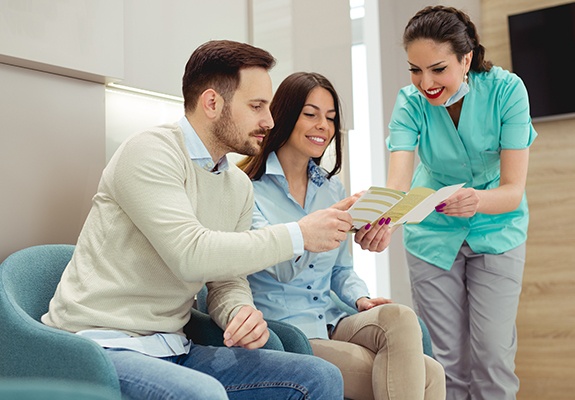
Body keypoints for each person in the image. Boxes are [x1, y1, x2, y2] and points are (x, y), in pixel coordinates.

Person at [41, 40, 351, 400]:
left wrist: (239, 311)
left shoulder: (236, 184)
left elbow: (225, 279)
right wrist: (299, 235)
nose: (269, 121)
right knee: (203, 395)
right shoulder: (150, 153)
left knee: (320, 378)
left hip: (174, 347)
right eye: (256, 106)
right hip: (100, 347)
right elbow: (191, 254)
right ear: (212, 103)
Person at [239, 71, 446, 400]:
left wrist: (360, 299)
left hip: (333, 320)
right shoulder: (247, 190)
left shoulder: (331, 187)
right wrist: (323, 224)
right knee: (428, 374)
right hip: (289, 330)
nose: (323, 125)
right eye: (311, 114)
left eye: (331, 118)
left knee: (401, 317)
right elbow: (280, 266)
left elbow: (340, 270)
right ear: (284, 115)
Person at [385, 6, 537, 400]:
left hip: (497, 229)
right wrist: (381, 220)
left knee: (493, 358)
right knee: (444, 362)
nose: (426, 83)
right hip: (432, 236)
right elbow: (398, 184)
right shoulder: (409, 102)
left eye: (438, 69)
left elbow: (512, 191)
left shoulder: (507, 91)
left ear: (466, 58)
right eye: (415, 70)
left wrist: (476, 200)